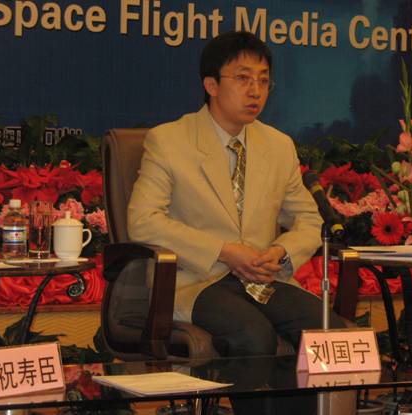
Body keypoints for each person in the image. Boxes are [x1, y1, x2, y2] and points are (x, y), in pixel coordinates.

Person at [128, 30, 348, 414]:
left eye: (264, 80)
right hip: (197, 279)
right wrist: (226, 252)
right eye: (243, 78)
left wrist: (281, 252)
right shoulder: (170, 140)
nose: (256, 91)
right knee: (252, 335)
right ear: (211, 84)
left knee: (330, 332)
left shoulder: (278, 146)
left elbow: (309, 219)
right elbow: (143, 222)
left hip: (263, 278)